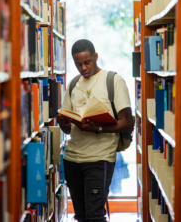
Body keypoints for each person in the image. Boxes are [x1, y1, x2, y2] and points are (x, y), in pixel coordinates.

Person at [56, 39, 133, 222]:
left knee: (95, 216)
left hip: (99, 159)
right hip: (72, 159)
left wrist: (97, 128)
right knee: (81, 216)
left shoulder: (113, 81)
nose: (83, 68)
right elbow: (68, 130)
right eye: (78, 64)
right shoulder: (74, 84)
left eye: (87, 62)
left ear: (95, 57)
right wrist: (62, 122)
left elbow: (128, 122)